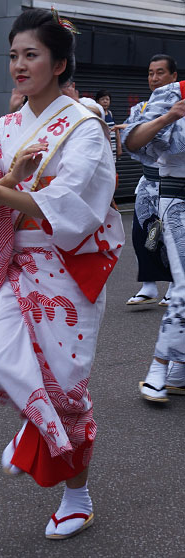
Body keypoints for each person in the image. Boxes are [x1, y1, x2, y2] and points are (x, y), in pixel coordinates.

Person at [0, 8, 124, 539]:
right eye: (13, 55)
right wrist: (0, 185)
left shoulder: (84, 125)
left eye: (31, 55)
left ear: (60, 63)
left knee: (67, 388)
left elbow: (76, 203)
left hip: (63, 268)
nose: (19, 65)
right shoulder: (4, 127)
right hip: (14, 263)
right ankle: (39, 425)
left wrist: (0, 189)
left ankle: (78, 496)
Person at [123, 70, 185, 401]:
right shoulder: (172, 94)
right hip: (178, 199)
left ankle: (177, 371)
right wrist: (169, 116)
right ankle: (158, 369)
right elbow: (133, 140)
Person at [124, 55, 176, 307]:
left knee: (173, 236)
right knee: (144, 234)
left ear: (173, 77)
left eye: (160, 73)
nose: (154, 79)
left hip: (175, 183)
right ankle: (149, 285)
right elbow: (135, 146)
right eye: (150, 73)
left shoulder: (180, 107)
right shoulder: (141, 109)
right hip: (148, 182)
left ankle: (176, 285)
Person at [95, 89, 122, 163]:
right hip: (102, 148)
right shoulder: (96, 115)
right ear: (97, 101)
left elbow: (116, 130)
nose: (105, 101)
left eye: (107, 99)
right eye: (102, 99)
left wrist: (119, 147)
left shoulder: (110, 113)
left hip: (112, 147)